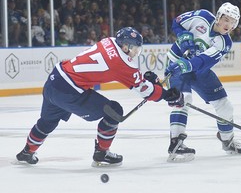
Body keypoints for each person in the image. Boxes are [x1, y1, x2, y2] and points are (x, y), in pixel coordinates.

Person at [16, 27, 184, 167]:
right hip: (70, 91)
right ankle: (101, 153)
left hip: (53, 82)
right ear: (125, 46)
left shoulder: (109, 40)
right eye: (134, 48)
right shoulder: (123, 63)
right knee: (114, 111)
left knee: (47, 121)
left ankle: (26, 152)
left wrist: (143, 80)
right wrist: (168, 95)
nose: (135, 52)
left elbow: (129, 75)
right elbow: (145, 90)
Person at [165, 2, 241, 162]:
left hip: (198, 71)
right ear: (218, 16)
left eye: (232, 22)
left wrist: (188, 64)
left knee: (225, 106)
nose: (228, 24)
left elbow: (204, 60)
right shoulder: (202, 16)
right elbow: (176, 22)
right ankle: (176, 144)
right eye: (226, 19)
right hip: (176, 64)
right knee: (183, 99)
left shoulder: (224, 43)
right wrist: (183, 36)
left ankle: (228, 141)